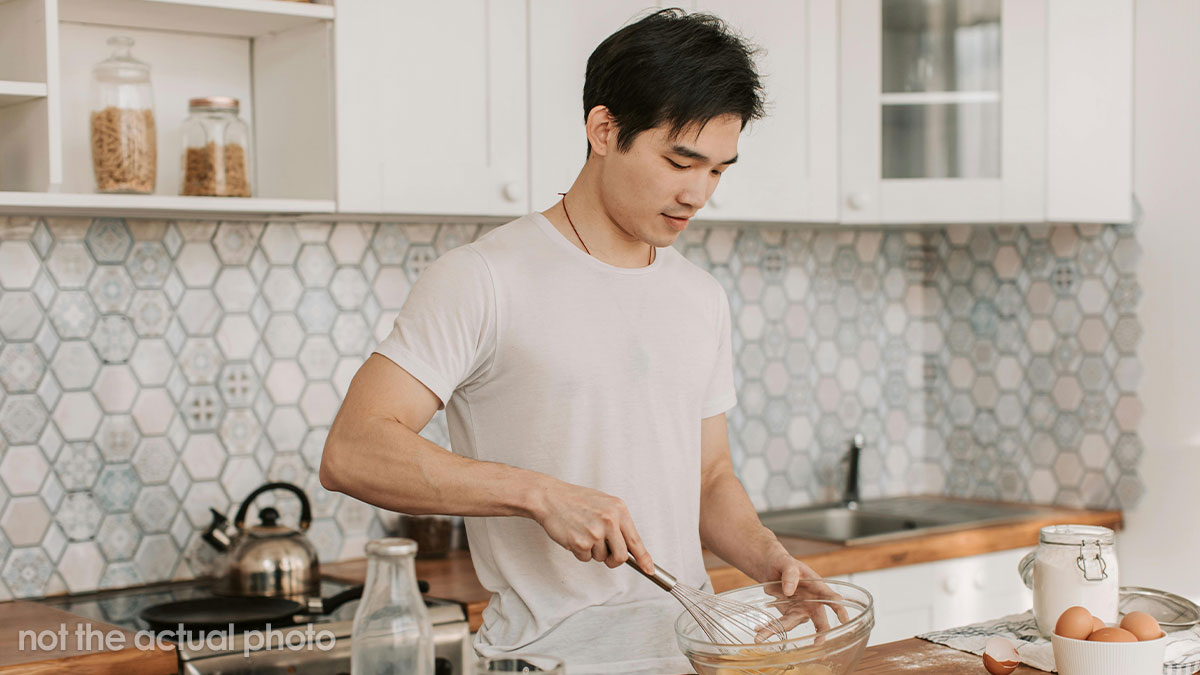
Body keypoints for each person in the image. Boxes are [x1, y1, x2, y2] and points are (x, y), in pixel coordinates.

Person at [320, 8, 825, 673]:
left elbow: (709, 478)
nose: (698, 192)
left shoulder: (700, 296)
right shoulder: (484, 277)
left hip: (692, 656)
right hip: (546, 660)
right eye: (681, 160)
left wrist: (770, 558)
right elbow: (353, 449)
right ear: (604, 129)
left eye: (718, 170)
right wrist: (540, 494)